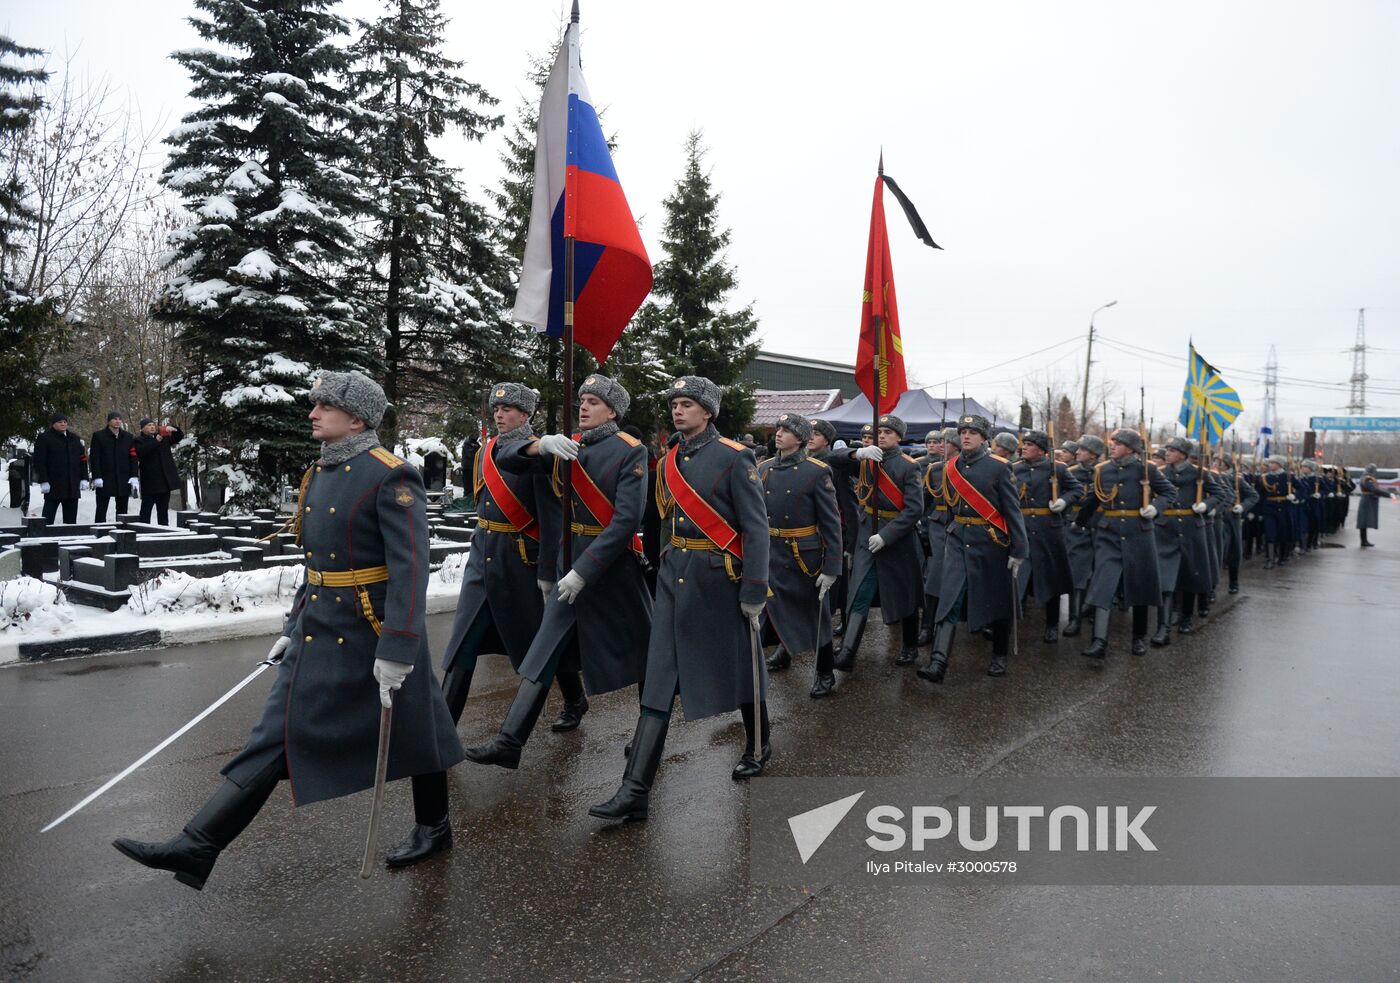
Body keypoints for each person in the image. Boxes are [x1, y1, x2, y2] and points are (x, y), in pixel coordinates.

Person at [112, 371, 464, 888]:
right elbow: (316, 562)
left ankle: (433, 825)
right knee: (280, 732)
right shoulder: (320, 472)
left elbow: (410, 568)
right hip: (319, 626)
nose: (312, 413)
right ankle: (198, 846)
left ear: (358, 418)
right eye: (315, 404)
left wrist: (399, 647)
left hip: (369, 628)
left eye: (324, 405)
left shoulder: (389, 475)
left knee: (413, 723)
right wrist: (292, 623)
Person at [590, 376, 770, 822]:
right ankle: (635, 790)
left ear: (707, 412)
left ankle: (759, 741)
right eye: (675, 404)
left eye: (687, 404)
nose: (678, 411)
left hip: (719, 578)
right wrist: (655, 566)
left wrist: (753, 588)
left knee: (740, 662)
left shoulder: (734, 457)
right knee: (659, 675)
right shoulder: (668, 460)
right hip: (675, 576)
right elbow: (659, 522)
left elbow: (756, 528)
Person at [464, 375, 651, 769]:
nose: (583, 407)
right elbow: (506, 457)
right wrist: (540, 444)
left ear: (613, 411)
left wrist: (583, 571)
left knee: (643, 654)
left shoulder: (630, 451)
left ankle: (648, 734)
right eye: (581, 400)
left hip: (611, 566)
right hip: (570, 561)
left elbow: (625, 521)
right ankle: (510, 741)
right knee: (542, 651)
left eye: (594, 402)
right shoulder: (568, 446)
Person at [438, 383, 564, 728]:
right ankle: (443, 729)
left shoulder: (539, 453)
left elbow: (551, 516)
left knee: (536, 640)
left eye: (508, 410)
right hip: (484, 555)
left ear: (526, 415)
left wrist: (548, 568)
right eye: (496, 409)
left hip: (520, 558)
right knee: (463, 643)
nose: (500, 415)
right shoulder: (486, 450)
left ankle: (575, 698)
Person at [917, 414, 1028, 681]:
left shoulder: (999, 468)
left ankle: (999, 655)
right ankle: (938, 663)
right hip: (957, 539)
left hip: (991, 541)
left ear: (984, 437)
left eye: (973, 432)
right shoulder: (949, 467)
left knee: (997, 601)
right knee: (949, 599)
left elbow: (1013, 512)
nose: (966, 436)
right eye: (963, 431)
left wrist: (1018, 550)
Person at [827, 414, 925, 672]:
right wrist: (856, 455)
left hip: (897, 539)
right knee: (859, 592)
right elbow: (831, 459)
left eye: (888, 433)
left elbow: (914, 510)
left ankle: (910, 645)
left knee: (905, 595)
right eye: (879, 432)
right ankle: (847, 653)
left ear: (899, 437)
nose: (882, 436)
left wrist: (887, 535)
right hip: (866, 534)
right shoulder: (866, 459)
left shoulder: (909, 466)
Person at [757, 412, 842, 698]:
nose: (778, 433)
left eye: (786, 430)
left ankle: (825, 671)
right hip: (771, 551)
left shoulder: (817, 471)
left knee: (815, 615)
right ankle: (785, 652)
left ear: (801, 439)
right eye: (778, 428)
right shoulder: (764, 468)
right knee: (773, 608)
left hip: (802, 556)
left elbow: (831, 524)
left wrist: (831, 567)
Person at [1073, 428, 1176, 658]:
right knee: (1103, 585)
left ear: (1130, 448)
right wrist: (1079, 523)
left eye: (1117, 443)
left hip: (1139, 533)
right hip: (1108, 534)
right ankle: (1099, 641)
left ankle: (1138, 638)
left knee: (1139, 587)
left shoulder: (1146, 469)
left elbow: (1169, 493)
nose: (1112, 446)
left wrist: (1155, 508)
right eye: (1112, 442)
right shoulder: (1102, 470)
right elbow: (1093, 499)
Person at [1152, 438, 1230, 644]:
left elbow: (1220, 494)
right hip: (1165, 528)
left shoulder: (1199, 473)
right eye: (1167, 449)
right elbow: (1152, 495)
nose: (1167, 453)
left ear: (1184, 454)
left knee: (1189, 576)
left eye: (1172, 450)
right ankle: (1164, 627)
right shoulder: (1159, 473)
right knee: (1166, 580)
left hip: (1191, 528)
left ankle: (1186, 617)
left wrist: (1205, 504)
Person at [1011, 429, 1083, 643]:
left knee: (1051, 579)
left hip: (1049, 530)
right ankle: (1009, 621)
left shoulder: (1058, 469)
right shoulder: (1014, 469)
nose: (1024, 447)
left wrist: (1063, 501)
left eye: (1030, 445)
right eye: (1024, 444)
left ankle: (1052, 625)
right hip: (1022, 529)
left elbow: (1077, 490)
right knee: (1016, 578)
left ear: (1042, 450)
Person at [808, 418, 857, 636]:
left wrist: (855, 452)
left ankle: (845, 627)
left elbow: (839, 455)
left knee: (841, 587)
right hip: (811, 534)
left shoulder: (833, 462)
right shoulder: (804, 461)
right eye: (808, 432)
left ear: (827, 440)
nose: (810, 437)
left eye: (816, 434)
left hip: (837, 533)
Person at [1062, 434, 1105, 636]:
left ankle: (1095, 610)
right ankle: (1074, 619)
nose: (1077, 452)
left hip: (1100, 527)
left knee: (1100, 574)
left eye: (1083, 450)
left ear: (1094, 455)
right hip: (1076, 527)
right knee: (1077, 575)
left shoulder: (1105, 473)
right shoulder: (1070, 473)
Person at [916, 428, 954, 646]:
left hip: (963, 527)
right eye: (933, 442)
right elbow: (924, 500)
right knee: (934, 578)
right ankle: (927, 627)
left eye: (942, 442)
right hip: (938, 526)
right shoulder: (933, 469)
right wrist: (922, 524)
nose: (936, 445)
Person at [33, 412, 87, 524]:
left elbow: (82, 459)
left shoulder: (74, 439)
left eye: (65, 422)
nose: (63, 424)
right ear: (53, 424)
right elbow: (39, 461)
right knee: (48, 517)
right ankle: (45, 538)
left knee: (71, 520)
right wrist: (43, 480)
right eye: (60, 422)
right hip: (54, 485)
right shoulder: (45, 438)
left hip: (72, 485)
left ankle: (70, 537)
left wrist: (84, 477)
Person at [89, 411, 139, 523]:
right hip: (105, 477)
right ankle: (100, 531)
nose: (117, 421)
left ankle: (122, 532)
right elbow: (94, 458)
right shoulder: (99, 436)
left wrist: (134, 475)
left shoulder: (128, 437)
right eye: (114, 419)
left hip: (123, 477)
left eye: (119, 419)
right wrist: (97, 476)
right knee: (101, 508)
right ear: (109, 421)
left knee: (122, 510)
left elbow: (133, 457)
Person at [135, 418, 184, 525]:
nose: (152, 427)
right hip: (150, 482)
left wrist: (174, 429)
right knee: (146, 510)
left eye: (153, 425)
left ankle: (164, 532)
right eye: (148, 425)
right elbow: (142, 451)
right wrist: (156, 440)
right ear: (142, 429)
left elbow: (179, 437)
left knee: (163, 511)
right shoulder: (139, 440)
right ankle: (143, 531)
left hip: (164, 481)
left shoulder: (163, 438)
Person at [1256, 456, 1294, 568]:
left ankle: (1282, 557)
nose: (1270, 465)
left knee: (1283, 533)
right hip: (1269, 509)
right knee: (1270, 533)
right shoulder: (1264, 478)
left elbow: (1302, 489)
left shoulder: (1288, 477)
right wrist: (1260, 512)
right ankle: (1269, 559)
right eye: (1270, 463)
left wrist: (1295, 495)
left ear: (1280, 464)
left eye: (1273, 463)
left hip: (1284, 508)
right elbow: (1259, 496)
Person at [1357, 463, 1394, 547]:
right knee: (1363, 522)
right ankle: (1363, 541)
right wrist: (1388, 495)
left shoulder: (1364, 477)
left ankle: (1364, 540)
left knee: (1363, 521)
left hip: (1366, 500)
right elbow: (1375, 490)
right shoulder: (1368, 479)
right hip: (1367, 501)